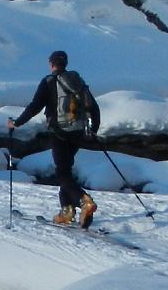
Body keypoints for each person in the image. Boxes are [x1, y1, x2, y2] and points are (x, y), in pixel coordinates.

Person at [8, 50, 101, 227]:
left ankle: (84, 201)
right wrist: (93, 130)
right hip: (77, 132)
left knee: (62, 172)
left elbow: (35, 106)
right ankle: (67, 210)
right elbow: (93, 107)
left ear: (51, 64)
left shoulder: (49, 82)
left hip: (59, 133)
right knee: (66, 169)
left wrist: (17, 123)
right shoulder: (77, 82)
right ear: (65, 63)